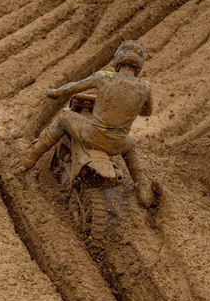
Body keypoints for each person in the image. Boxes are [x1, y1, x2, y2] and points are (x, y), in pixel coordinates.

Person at [16, 40, 155, 207]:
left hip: (92, 135)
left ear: (119, 59)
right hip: (117, 144)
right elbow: (146, 112)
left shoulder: (104, 77)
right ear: (139, 65)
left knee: (63, 117)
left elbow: (71, 89)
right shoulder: (145, 87)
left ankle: (29, 158)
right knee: (131, 145)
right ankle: (144, 190)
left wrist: (54, 92)